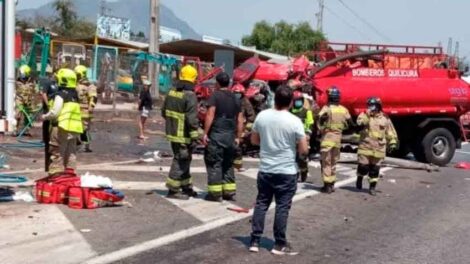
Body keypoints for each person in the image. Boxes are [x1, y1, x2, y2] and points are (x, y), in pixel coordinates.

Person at [249, 85, 308, 255]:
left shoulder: (262, 116)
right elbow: (303, 150)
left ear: (274, 100)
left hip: (266, 168)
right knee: (282, 207)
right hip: (286, 171)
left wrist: (268, 144)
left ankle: (255, 240)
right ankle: (279, 243)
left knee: (261, 204)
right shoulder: (294, 121)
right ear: (290, 102)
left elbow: (254, 140)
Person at [203, 72, 244, 202]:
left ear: (217, 83)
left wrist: (205, 133)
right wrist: (238, 137)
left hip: (217, 134)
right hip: (230, 135)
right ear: (229, 83)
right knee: (228, 163)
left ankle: (215, 194)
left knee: (215, 162)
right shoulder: (236, 98)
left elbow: (210, 114)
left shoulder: (215, 96)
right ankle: (229, 191)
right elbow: (240, 119)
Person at [162, 65, 200, 200]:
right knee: (180, 160)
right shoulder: (190, 96)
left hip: (172, 133)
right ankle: (173, 189)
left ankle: (186, 186)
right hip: (184, 136)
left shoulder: (171, 92)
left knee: (185, 160)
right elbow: (191, 119)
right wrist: (196, 135)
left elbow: (163, 112)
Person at [41, 68, 83, 176]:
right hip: (73, 130)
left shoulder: (60, 95)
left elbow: (55, 112)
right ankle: (69, 177)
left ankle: (56, 178)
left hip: (61, 128)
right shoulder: (75, 95)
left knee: (57, 152)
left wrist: (45, 117)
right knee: (71, 154)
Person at [356, 97, 398, 195]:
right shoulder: (364, 115)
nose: (371, 107)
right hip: (365, 145)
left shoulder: (385, 118)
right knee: (363, 167)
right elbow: (360, 123)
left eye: (373, 105)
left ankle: (372, 187)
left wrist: (392, 142)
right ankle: (360, 177)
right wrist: (367, 114)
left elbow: (390, 131)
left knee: (375, 169)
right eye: (369, 105)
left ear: (378, 106)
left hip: (379, 147)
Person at [318, 86, 353, 194]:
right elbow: (351, 124)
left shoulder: (326, 108)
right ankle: (332, 184)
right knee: (333, 162)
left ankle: (327, 186)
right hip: (338, 140)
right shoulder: (344, 109)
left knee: (326, 163)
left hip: (327, 139)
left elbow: (319, 120)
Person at [290, 90, 314, 182]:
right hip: (292, 137)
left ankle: (304, 171)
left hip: (303, 137)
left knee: (302, 157)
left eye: (299, 100)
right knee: (292, 157)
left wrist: (308, 134)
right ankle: (294, 174)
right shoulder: (290, 111)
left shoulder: (306, 112)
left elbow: (310, 123)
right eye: (296, 100)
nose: (298, 102)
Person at [232, 83, 256, 172]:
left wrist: (246, 130)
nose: (237, 95)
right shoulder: (230, 101)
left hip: (240, 127)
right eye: (235, 93)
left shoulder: (245, 102)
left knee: (238, 147)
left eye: (239, 93)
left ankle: (238, 166)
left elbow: (251, 117)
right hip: (230, 127)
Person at [75, 65, 97, 152]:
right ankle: (77, 143)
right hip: (76, 110)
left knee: (84, 129)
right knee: (76, 128)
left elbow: (93, 97)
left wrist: (91, 106)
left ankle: (86, 146)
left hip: (85, 112)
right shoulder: (76, 85)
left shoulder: (89, 86)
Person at [15, 65, 35, 136]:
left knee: (28, 116)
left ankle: (26, 130)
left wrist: (33, 101)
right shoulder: (17, 81)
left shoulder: (31, 81)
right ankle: (16, 130)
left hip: (28, 100)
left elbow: (34, 91)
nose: (20, 74)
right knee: (18, 114)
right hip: (19, 99)